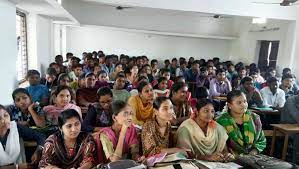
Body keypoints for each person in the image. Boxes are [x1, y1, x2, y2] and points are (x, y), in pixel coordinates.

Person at [217, 90, 266, 155]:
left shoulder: (254, 118)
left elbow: (261, 140)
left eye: (245, 101)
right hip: (230, 158)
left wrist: (254, 151)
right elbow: (220, 144)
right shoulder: (221, 121)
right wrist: (228, 155)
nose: (243, 105)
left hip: (253, 156)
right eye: (239, 103)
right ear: (229, 105)